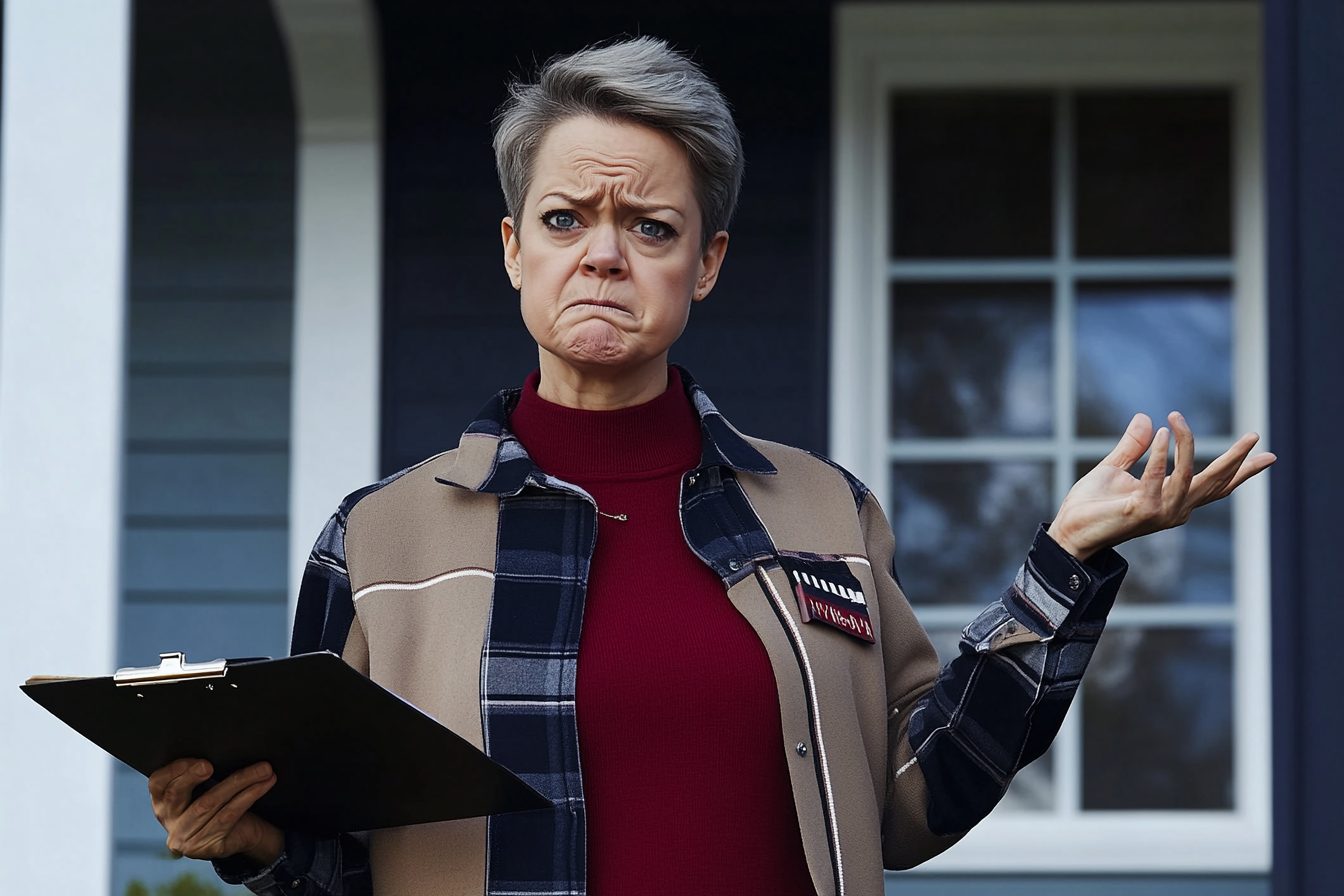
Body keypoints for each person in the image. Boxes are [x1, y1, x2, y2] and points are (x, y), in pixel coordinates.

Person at [147, 37, 1274, 896]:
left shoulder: (825, 509)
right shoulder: (379, 538)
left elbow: (911, 802)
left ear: (709, 262)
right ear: (512, 250)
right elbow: (339, 858)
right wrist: (249, 838)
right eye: (564, 216)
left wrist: (1066, 560)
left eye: (650, 226)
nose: (602, 251)